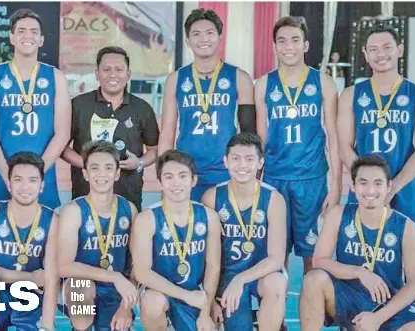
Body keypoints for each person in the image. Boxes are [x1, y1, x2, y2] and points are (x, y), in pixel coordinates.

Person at [338, 25, 415, 306]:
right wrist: (368, 186)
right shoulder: (351, 95)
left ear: (399, 50)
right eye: (374, 49)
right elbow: (345, 145)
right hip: (364, 194)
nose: (381, 54)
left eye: (387, 47)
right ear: (365, 55)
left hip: (404, 191)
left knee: (413, 272)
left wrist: (392, 187)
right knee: (360, 262)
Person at [299, 155, 415, 331]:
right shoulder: (338, 215)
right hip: (348, 296)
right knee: (313, 279)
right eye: (363, 183)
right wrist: (360, 272)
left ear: (388, 186)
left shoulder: (407, 227)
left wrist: (377, 318)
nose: (370, 190)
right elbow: (319, 260)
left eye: (378, 183)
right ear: (353, 186)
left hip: (388, 302)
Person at [254, 16, 342, 274]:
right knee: (274, 260)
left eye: (295, 40)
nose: (288, 46)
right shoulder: (263, 85)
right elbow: (260, 139)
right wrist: (256, 183)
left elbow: (334, 139)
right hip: (275, 179)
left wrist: (336, 186)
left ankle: (313, 316)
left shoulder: (324, 83)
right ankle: (275, 317)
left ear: (305, 45)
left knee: (314, 261)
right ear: (274, 46)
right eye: (282, 41)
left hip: (311, 181)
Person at [158, 8, 256, 202]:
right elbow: (167, 131)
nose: (203, 39)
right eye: (196, 34)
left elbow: (249, 134)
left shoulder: (240, 78)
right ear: (187, 41)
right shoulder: (175, 79)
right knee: (189, 230)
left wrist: (250, 174)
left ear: (220, 37)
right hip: (185, 171)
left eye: (210, 33)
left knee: (224, 229)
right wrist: (164, 175)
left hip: (226, 170)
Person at [0, 9, 71, 210]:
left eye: (33, 31)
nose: (27, 35)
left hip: (43, 174)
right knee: (1, 235)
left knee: (45, 236)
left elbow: (62, 133)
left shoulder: (56, 77)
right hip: (2, 175)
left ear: (41, 39)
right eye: (21, 31)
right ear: (12, 37)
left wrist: (37, 175)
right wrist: (8, 176)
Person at [201, 133, 287, 331]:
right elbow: (208, 259)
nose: (242, 165)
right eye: (236, 158)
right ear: (226, 161)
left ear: (260, 163)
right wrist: (210, 300)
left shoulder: (274, 199)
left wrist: (241, 279)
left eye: (249, 159)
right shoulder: (212, 198)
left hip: (262, 273)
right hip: (227, 274)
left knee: (276, 284)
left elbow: (276, 259)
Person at [0, 152, 58, 331]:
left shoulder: (52, 219)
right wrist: (30, 278)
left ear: (41, 186)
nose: (25, 187)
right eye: (18, 180)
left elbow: (51, 277)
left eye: (32, 180)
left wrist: (48, 326)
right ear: (9, 184)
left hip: (32, 297)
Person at [132, 150, 221, 331]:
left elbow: (213, 266)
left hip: (195, 292)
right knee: (151, 302)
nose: (176, 183)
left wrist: (205, 312)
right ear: (160, 183)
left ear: (193, 180)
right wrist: (185, 296)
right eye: (169, 177)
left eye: (182, 176)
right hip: (160, 291)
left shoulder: (209, 217)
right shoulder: (147, 218)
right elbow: (142, 272)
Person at [63, 46, 159, 211]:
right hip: (84, 194)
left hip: (128, 196)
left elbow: (155, 149)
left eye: (119, 69)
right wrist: (87, 164)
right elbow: (61, 147)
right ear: (97, 74)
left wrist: (140, 162)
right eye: (106, 69)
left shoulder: (142, 109)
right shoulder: (79, 105)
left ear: (128, 74)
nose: (113, 75)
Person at [58, 141, 139, 330]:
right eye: (94, 168)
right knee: (80, 287)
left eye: (108, 168)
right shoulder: (73, 211)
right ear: (85, 174)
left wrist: (126, 308)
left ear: (117, 173)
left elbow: (138, 264)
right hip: (81, 289)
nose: (102, 174)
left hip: (116, 291)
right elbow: (63, 266)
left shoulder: (129, 209)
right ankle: (81, 327)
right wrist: (115, 277)